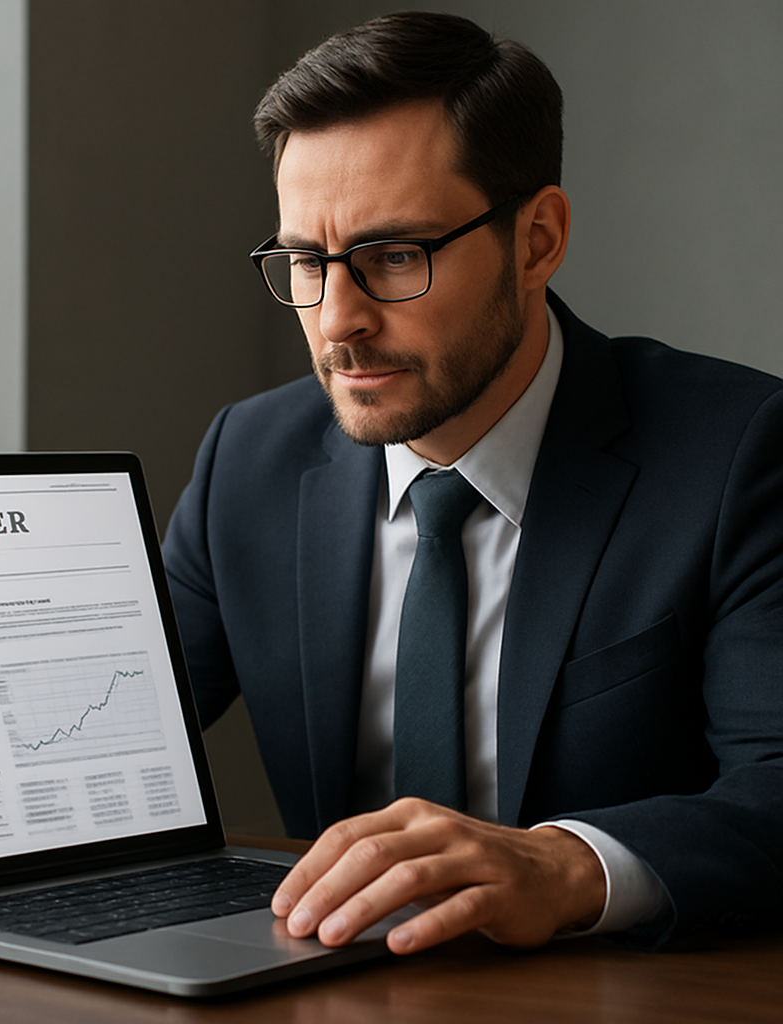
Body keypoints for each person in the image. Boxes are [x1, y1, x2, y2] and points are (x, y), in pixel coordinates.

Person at [162, 11, 783, 956]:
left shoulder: (740, 453)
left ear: (537, 240)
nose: (337, 322)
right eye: (304, 262)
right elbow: (110, 727)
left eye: (391, 258)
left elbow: (775, 789)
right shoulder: (248, 458)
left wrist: (564, 864)